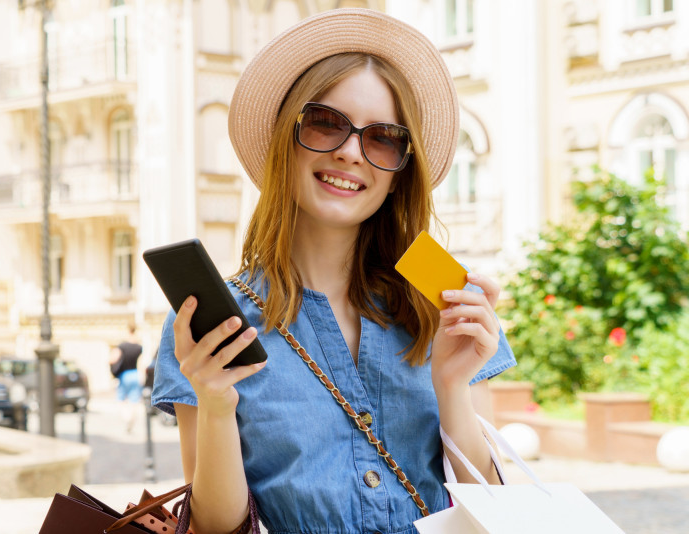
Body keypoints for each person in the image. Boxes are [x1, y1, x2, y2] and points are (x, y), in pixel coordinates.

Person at [152, 9, 517, 534]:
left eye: (383, 138)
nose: (350, 152)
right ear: (286, 139)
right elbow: (216, 528)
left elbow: (489, 513)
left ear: (400, 171)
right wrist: (214, 405)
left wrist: (453, 386)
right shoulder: (214, 321)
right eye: (326, 123)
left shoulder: (442, 302)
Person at [110, 323, 143, 432]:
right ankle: (131, 419)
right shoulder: (139, 347)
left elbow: (113, 359)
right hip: (135, 374)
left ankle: (127, 418)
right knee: (134, 400)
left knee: (121, 399)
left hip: (124, 375)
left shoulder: (122, 346)